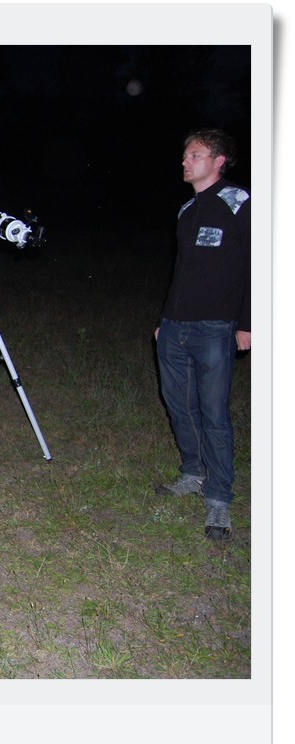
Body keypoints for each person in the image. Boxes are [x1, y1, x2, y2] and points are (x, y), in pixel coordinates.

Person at [154, 128, 251, 542]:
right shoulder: (186, 210)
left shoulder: (239, 202)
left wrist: (248, 322)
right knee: (180, 407)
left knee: (213, 414)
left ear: (218, 161)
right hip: (175, 327)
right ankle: (193, 473)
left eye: (194, 155)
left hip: (215, 327)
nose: (185, 161)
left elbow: (257, 262)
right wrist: (165, 318)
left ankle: (219, 497)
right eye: (185, 155)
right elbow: (181, 272)